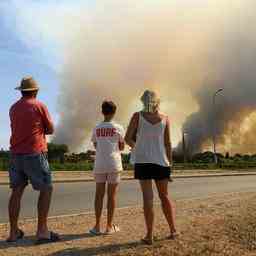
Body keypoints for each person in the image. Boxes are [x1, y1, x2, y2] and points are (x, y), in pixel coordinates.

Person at [7, 77, 60, 244]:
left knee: (16, 191)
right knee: (46, 189)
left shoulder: (13, 108)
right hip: (34, 153)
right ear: (35, 91)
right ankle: (42, 231)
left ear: (21, 91)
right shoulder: (39, 105)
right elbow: (50, 128)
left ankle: (13, 232)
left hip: (15, 154)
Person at [125, 90, 177, 245]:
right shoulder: (165, 118)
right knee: (164, 196)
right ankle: (173, 230)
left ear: (143, 101)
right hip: (161, 162)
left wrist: (137, 147)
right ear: (158, 102)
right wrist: (170, 165)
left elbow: (128, 138)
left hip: (143, 161)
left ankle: (149, 235)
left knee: (147, 199)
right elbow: (168, 144)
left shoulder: (137, 116)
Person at [90, 100, 125, 235]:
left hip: (99, 163)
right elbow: (121, 146)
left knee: (99, 195)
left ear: (102, 111)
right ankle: (109, 226)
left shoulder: (96, 128)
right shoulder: (119, 127)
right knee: (112, 196)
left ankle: (97, 226)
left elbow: (96, 145)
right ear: (114, 112)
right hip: (114, 164)